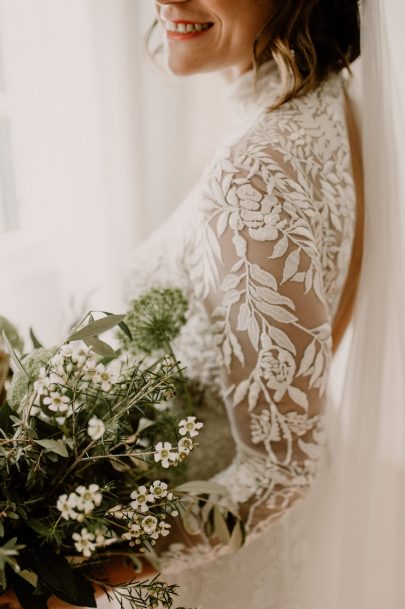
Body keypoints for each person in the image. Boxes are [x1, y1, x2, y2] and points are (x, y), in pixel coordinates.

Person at [0, 1, 364, 607]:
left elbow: (278, 472)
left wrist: (54, 575)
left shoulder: (255, 174)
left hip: (212, 576)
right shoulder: (316, 103)